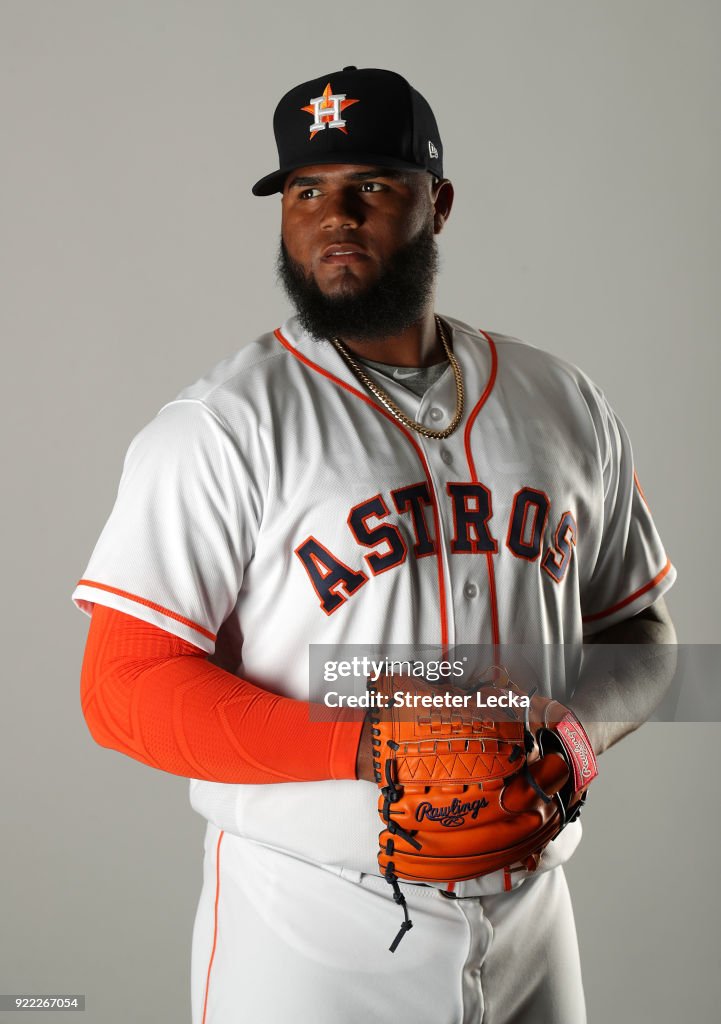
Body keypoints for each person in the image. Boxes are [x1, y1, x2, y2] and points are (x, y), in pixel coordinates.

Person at [73, 66, 677, 1024]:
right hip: (309, 930)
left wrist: (578, 731)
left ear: (437, 202)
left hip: (532, 919)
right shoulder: (220, 426)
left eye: (371, 187)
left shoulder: (563, 401)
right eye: (304, 192)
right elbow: (120, 689)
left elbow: (645, 633)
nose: (332, 217)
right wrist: (365, 745)